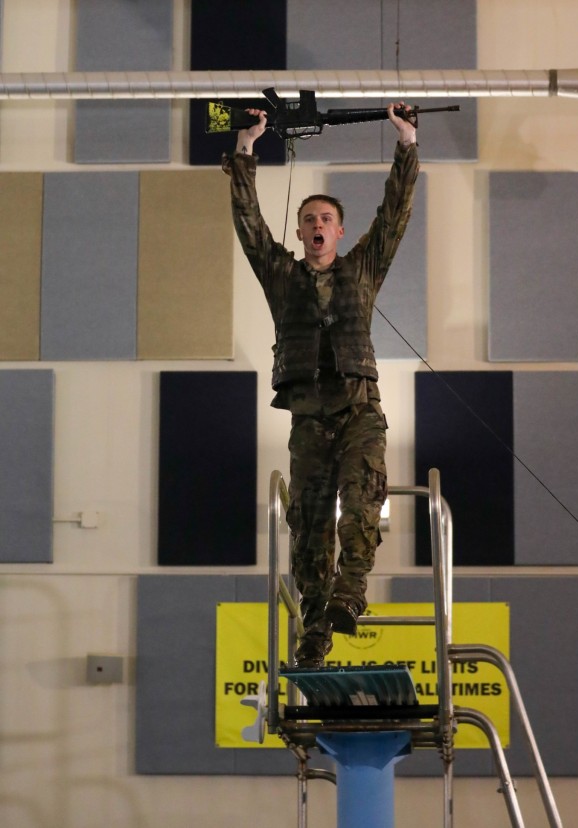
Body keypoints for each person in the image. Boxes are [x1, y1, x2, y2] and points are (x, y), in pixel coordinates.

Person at [223, 103, 419, 667]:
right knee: (308, 525)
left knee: (361, 503)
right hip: (309, 416)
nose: (315, 227)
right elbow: (249, 225)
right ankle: (315, 633)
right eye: (308, 219)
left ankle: (348, 599)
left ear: (338, 230)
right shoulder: (282, 277)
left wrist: (406, 143)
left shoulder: (362, 267)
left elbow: (394, 216)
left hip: (359, 410)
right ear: (301, 230)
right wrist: (245, 149)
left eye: (325, 219)